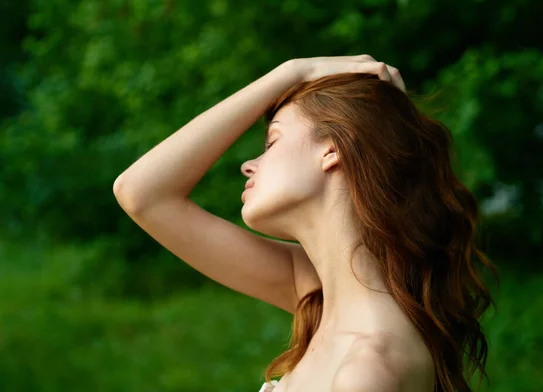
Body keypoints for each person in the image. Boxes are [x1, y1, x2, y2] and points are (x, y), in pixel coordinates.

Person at [113, 55, 498, 392]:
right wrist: (292, 71)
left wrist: (292, 73)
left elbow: (144, 195)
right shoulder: (318, 294)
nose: (248, 165)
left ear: (333, 150)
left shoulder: (368, 369)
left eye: (271, 143)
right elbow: (141, 194)